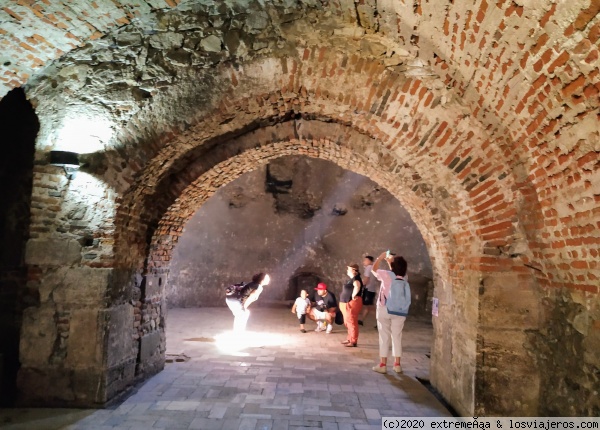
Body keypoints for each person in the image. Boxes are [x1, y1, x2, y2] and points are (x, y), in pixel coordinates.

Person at [370, 252, 408, 374]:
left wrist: (381, 258)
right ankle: (397, 365)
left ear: (392, 265)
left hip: (384, 308)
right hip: (399, 310)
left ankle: (383, 365)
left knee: (384, 336)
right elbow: (396, 272)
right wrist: (390, 262)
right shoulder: (405, 277)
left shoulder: (386, 275)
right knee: (397, 336)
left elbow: (373, 269)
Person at [339, 263, 363, 347]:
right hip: (346, 302)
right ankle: (349, 338)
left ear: (353, 270)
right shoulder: (352, 279)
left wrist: (353, 295)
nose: (347, 270)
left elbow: (357, 286)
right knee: (348, 321)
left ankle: (353, 341)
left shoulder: (356, 278)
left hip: (351, 303)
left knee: (351, 321)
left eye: (349, 269)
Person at [358, 256, 378, 327]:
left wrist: (360, 286)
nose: (364, 262)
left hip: (368, 289)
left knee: (370, 307)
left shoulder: (368, 268)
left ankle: (381, 321)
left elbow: (366, 279)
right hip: (371, 289)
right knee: (367, 306)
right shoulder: (374, 268)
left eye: (366, 260)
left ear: (370, 261)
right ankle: (361, 320)